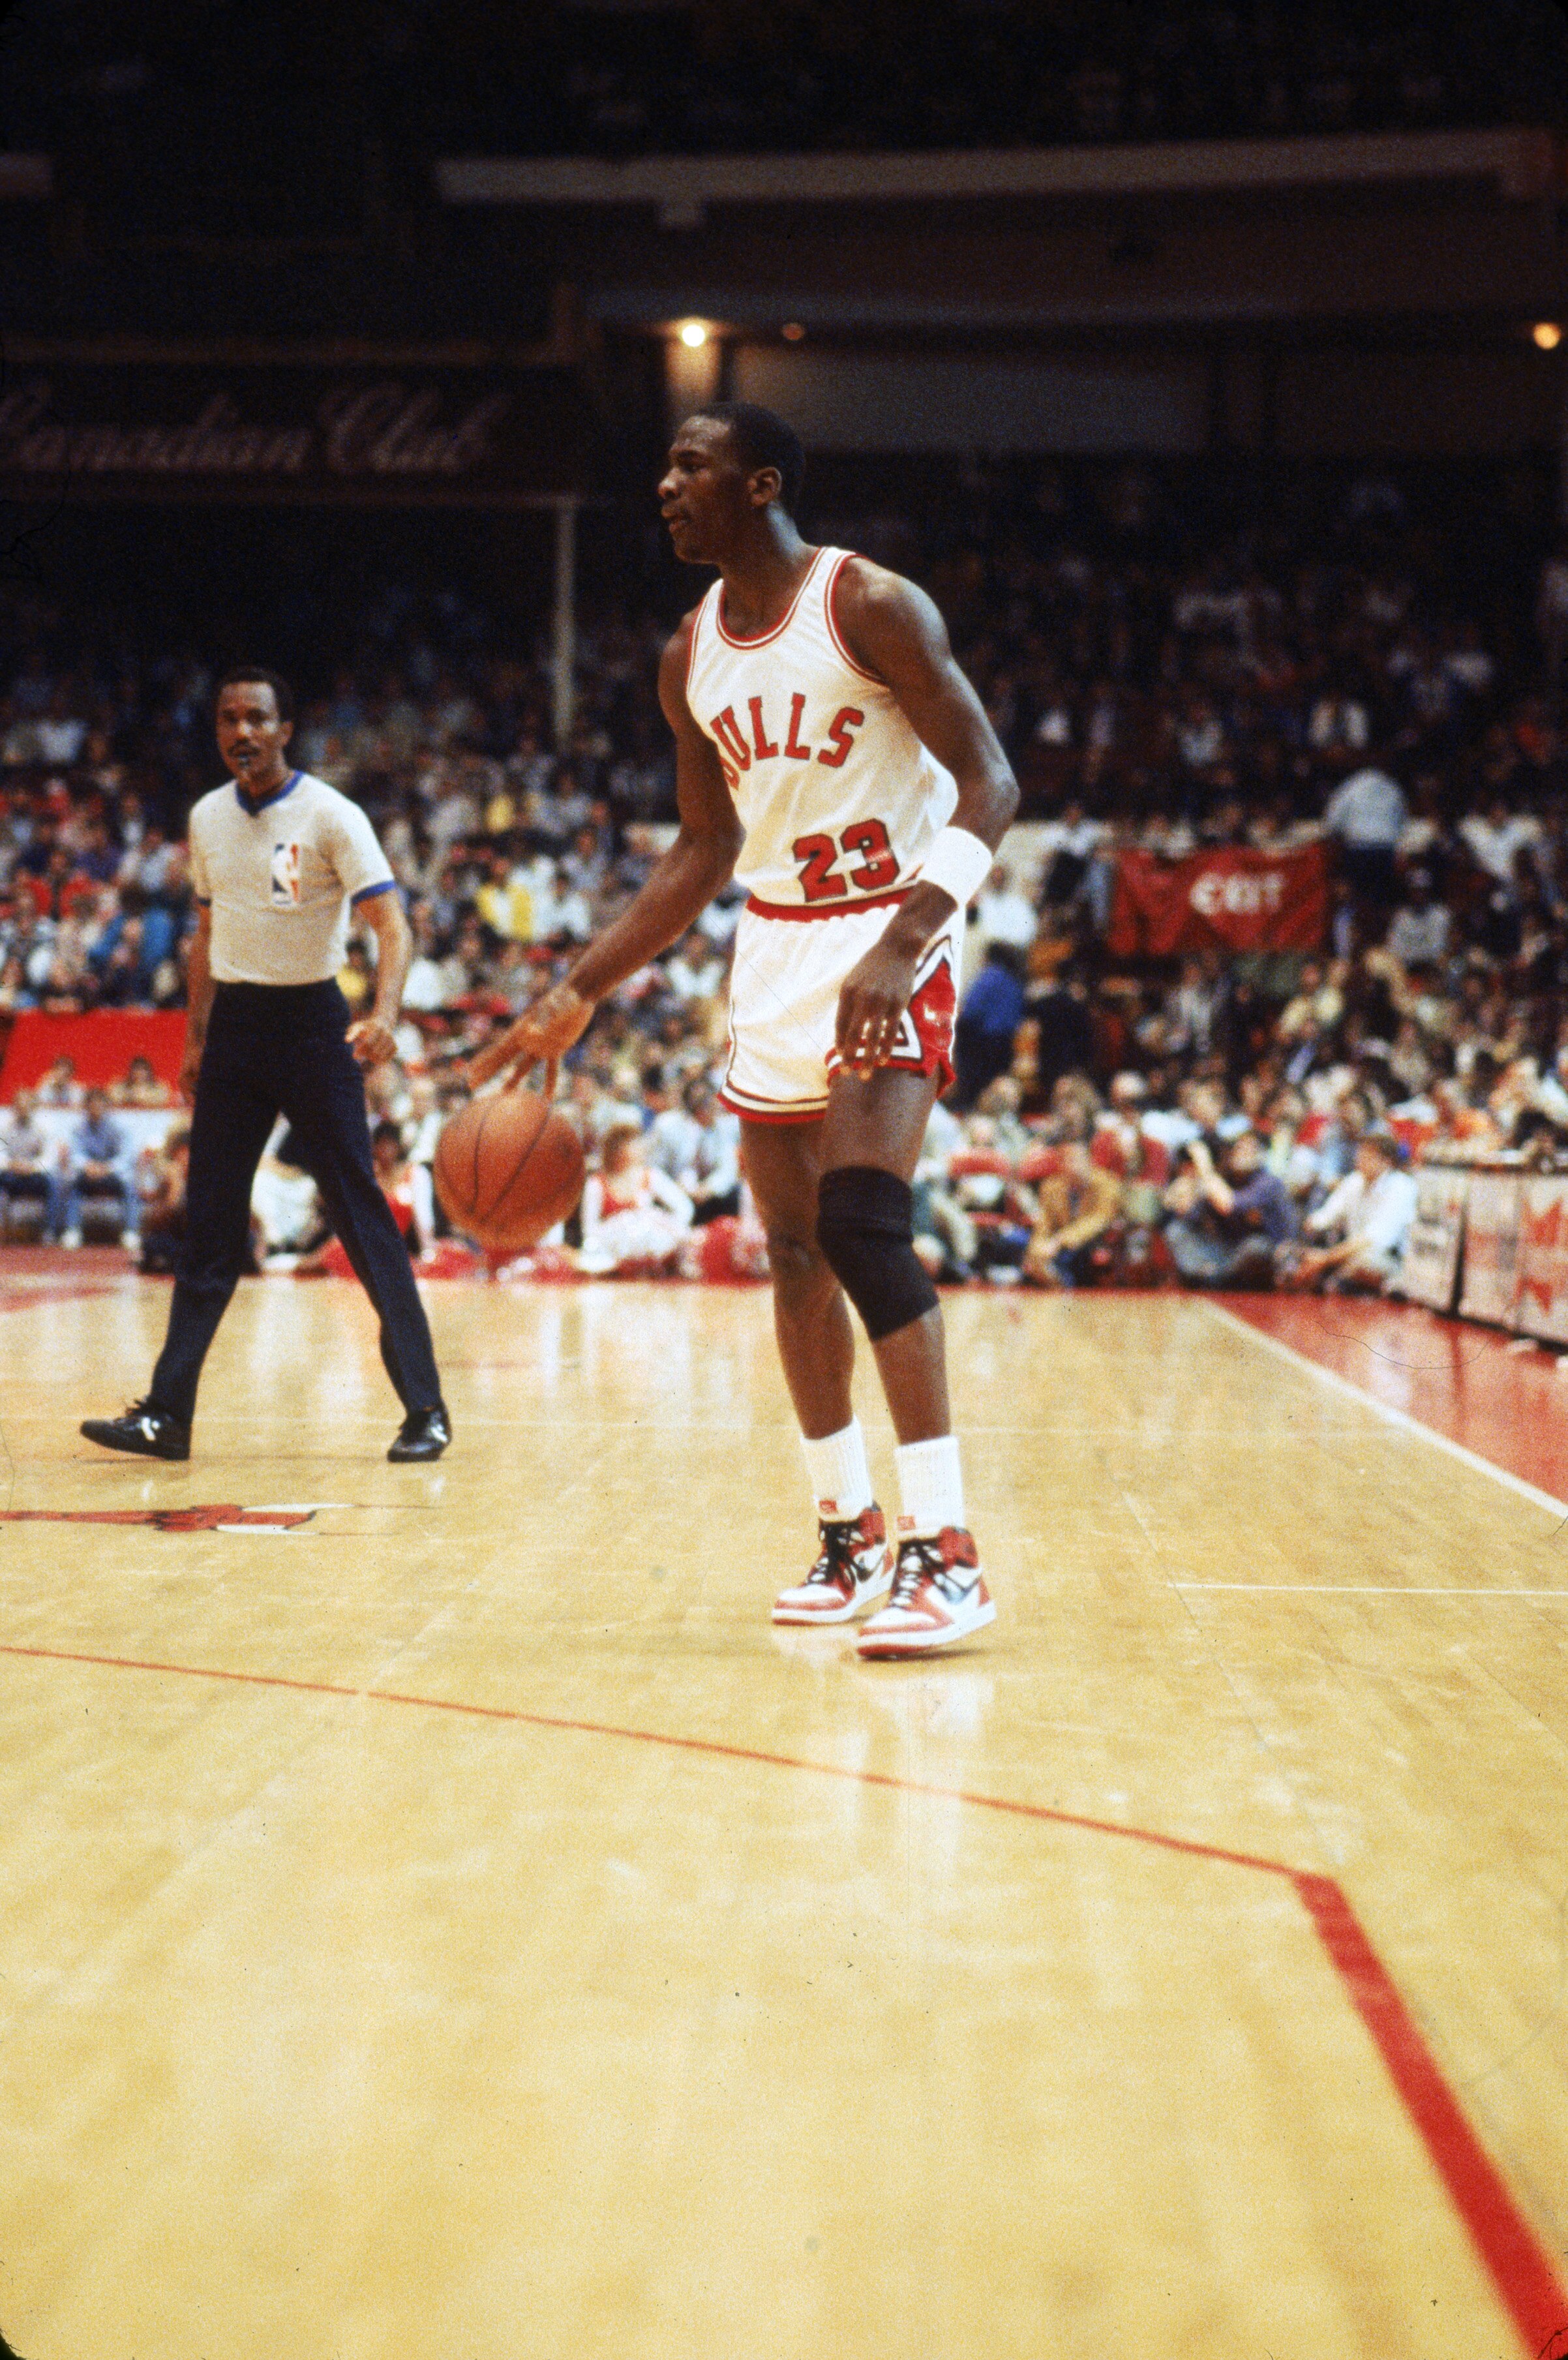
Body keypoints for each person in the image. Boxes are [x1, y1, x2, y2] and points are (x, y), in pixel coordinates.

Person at [468, 402, 1018, 1656]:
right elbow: (704, 850)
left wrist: (904, 937)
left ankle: (948, 1551)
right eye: (663, 464)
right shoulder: (687, 655)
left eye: (689, 466)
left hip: (891, 921)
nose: (663, 485)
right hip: (773, 944)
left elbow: (989, 780)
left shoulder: (870, 604)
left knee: (864, 1227)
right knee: (789, 1256)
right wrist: (581, 983)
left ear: (759, 483)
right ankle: (847, 1533)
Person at [80, 667, 450, 1464]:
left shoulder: (330, 815)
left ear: (286, 730)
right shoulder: (208, 818)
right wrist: (193, 1041)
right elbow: (207, 936)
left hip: (315, 1026)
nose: (241, 731)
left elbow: (393, 926)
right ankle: (167, 1416)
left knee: (360, 1216)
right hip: (238, 1034)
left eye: (257, 718)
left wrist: (384, 1015)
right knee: (208, 1229)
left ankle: (425, 1409)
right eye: (228, 718)